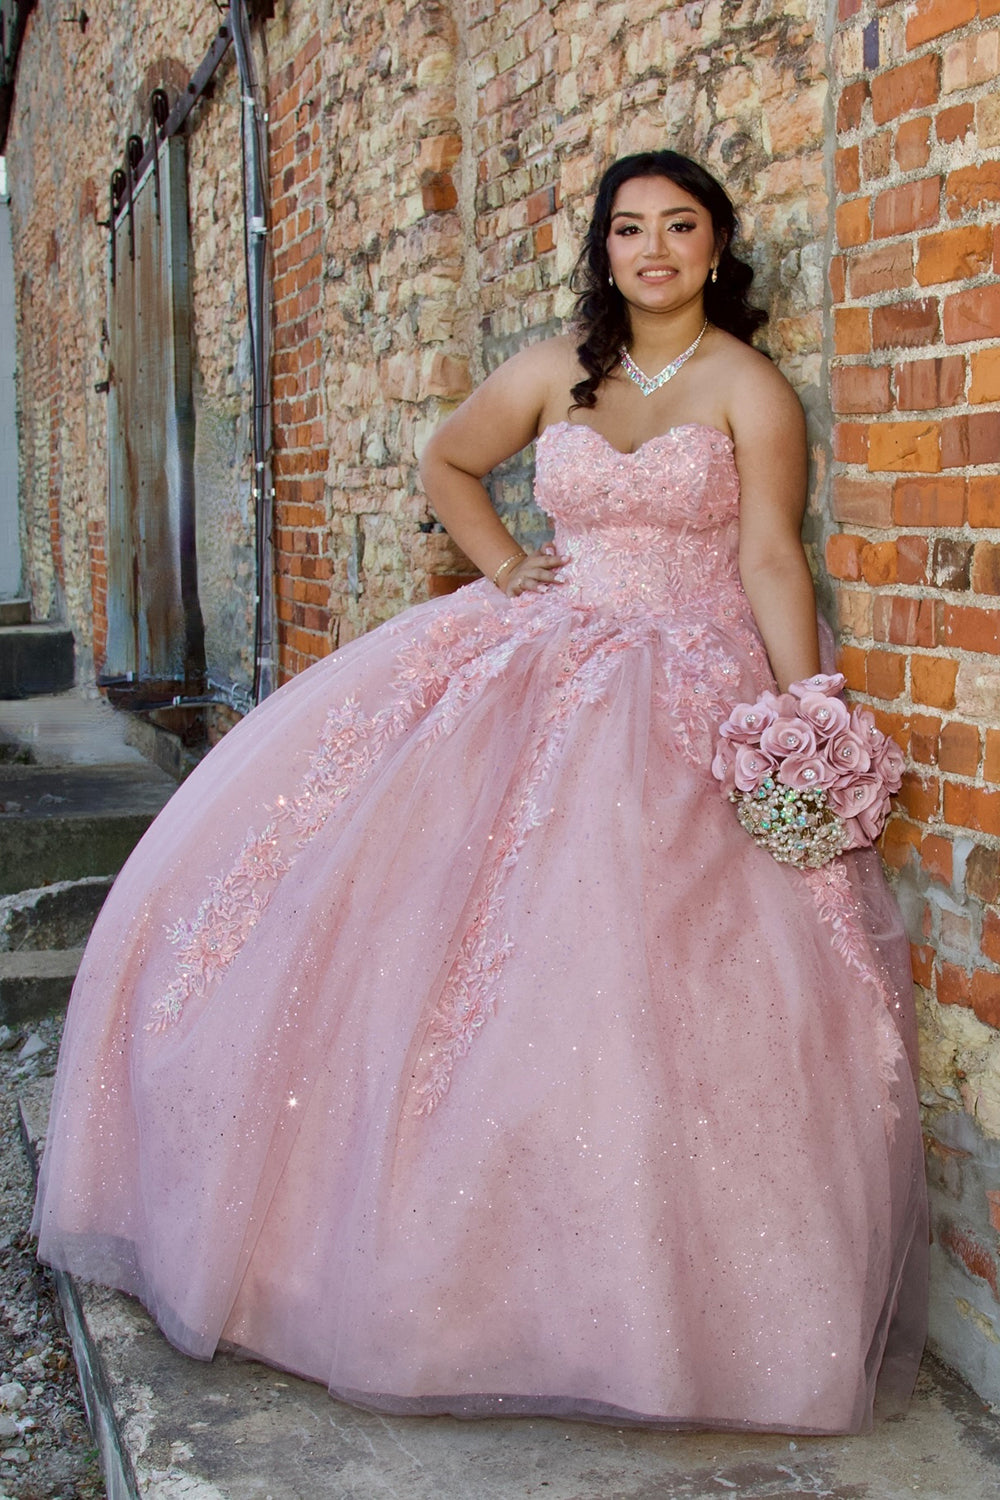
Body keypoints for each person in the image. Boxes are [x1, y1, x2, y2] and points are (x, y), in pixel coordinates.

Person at [33, 150, 927, 1435]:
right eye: (630, 229)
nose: (655, 250)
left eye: (681, 228)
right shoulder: (554, 372)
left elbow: (771, 556)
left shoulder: (747, 388)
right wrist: (508, 567)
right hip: (548, 652)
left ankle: (671, 1309)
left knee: (650, 957)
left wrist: (802, 713)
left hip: (687, 676)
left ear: (719, 249)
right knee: (430, 920)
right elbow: (449, 463)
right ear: (605, 249)